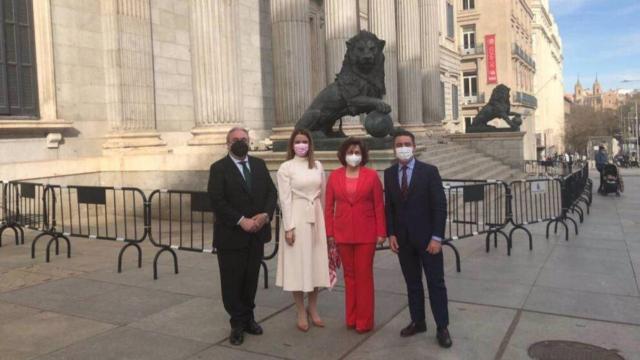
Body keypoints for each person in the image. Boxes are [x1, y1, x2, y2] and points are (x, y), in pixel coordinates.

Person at [208, 127, 277, 346]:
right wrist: (242, 220)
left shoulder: (259, 164)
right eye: (236, 140)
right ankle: (237, 324)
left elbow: (271, 192)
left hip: (256, 235)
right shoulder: (218, 168)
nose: (240, 142)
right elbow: (217, 201)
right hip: (231, 236)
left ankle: (248, 318)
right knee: (232, 282)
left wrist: (265, 215)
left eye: (244, 139)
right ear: (227, 143)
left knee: (250, 280)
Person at [384, 130, 452, 348]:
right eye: (399, 144)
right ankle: (418, 321)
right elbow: (390, 208)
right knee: (412, 283)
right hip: (404, 241)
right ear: (394, 148)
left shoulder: (429, 172)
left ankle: (442, 327)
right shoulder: (389, 173)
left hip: (428, 240)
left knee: (436, 284)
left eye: (406, 143)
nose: (403, 147)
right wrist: (391, 233)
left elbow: (439, 206)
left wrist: (437, 237)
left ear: (413, 147)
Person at [325, 138, 386, 333]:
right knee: (349, 277)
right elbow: (328, 207)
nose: (354, 155)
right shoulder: (334, 176)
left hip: (366, 233)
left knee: (364, 276)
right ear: (343, 154)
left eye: (357, 152)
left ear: (363, 155)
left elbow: (378, 205)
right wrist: (329, 233)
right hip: (342, 233)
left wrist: (381, 232)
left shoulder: (372, 176)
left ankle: (364, 321)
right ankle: (351, 318)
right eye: (350, 152)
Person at [276, 129, 331, 332]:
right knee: (297, 266)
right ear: (292, 145)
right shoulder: (286, 167)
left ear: (310, 144)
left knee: (315, 264)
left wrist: (326, 223)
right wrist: (289, 227)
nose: (301, 145)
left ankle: (313, 308)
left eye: (305, 141)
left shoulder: (317, 165)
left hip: (315, 218)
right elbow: (284, 199)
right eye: (298, 141)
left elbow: (323, 195)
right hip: (297, 217)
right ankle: (300, 310)